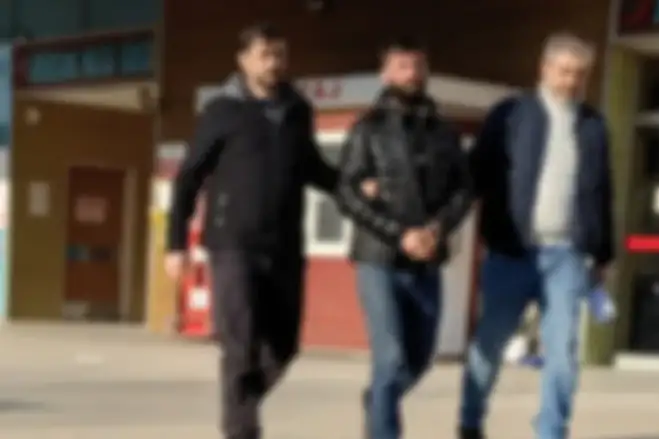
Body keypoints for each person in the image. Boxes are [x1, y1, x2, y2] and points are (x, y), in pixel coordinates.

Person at [164, 22, 338, 439]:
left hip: (285, 245)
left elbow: (312, 168)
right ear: (243, 60)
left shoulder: (298, 111)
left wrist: (353, 186)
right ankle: (241, 428)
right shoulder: (222, 112)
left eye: (280, 55)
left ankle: (240, 404)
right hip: (233, 244)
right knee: (240, 343)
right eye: (265, 55)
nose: (274, 63)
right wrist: (175, 244)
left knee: (284, 347)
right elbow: (188, 178)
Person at [458, 32, 614, 439]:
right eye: (564, 72)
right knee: (490, 344)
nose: (572, 81)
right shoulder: (511, 115)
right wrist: (441, 222)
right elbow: (474, 174)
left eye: (580, 74)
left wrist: (603, 255)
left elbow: (603, 192)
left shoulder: (593, 125)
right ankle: (470, 420)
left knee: (563, 352)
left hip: (567, 256)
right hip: (512, 252)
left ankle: (551, 430)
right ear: (544, 69)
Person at [336, 37, 473, 439]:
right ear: (385, 73)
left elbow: (463, 190)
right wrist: (400, 234)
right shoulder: (367, 129)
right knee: (390, 358)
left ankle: (377, 401)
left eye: (418, 66)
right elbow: (347, 192)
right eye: (402, 66)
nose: (411, 74)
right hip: (378, 259)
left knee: (420, 359)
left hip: (427, 261)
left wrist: (436, 229)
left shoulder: (444, 132)